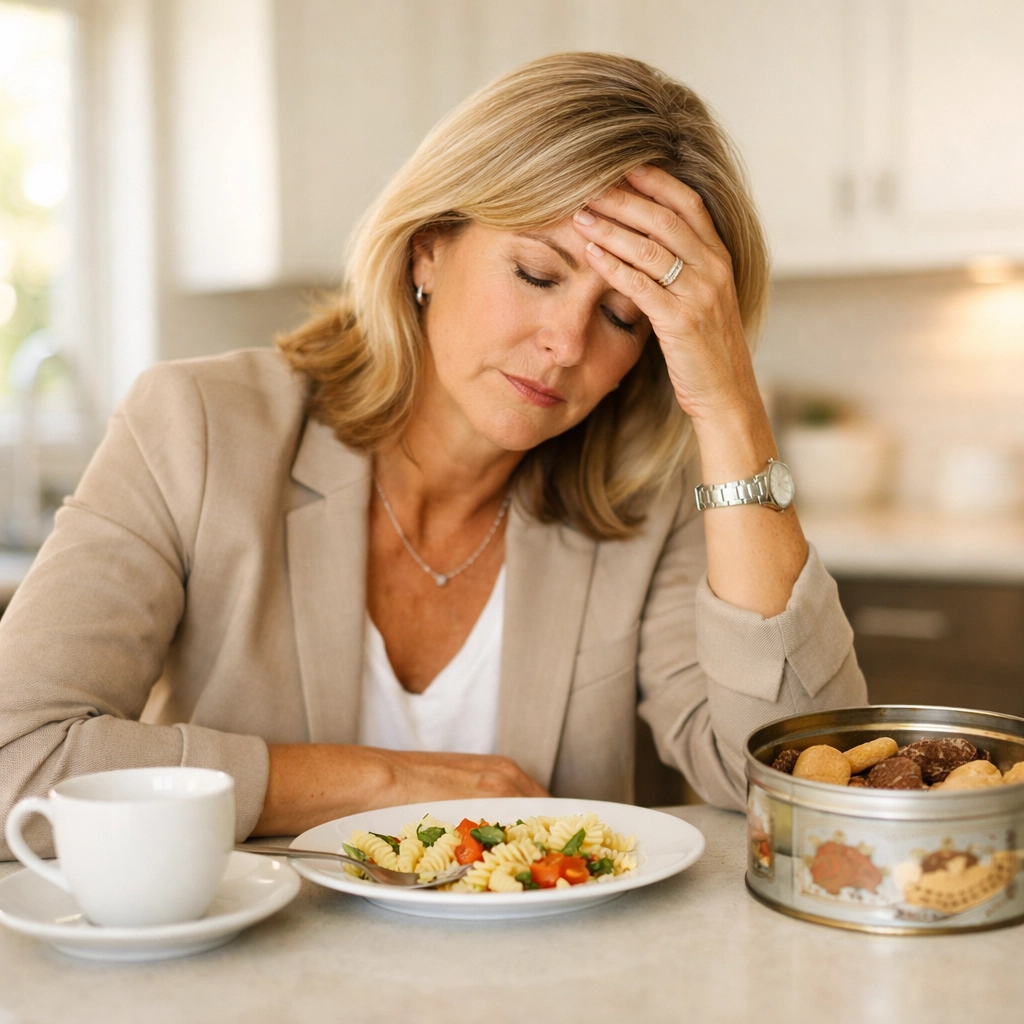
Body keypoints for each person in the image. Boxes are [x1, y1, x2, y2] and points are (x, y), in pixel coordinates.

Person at [0, 52, 866, 857]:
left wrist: (730, 407)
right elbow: (16, 759)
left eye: (623, 317)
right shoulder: (195, 428)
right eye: (537, 273)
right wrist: (386, 783)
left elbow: (804, 799)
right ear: (430, 246)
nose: (566, 344)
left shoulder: (651, 495)